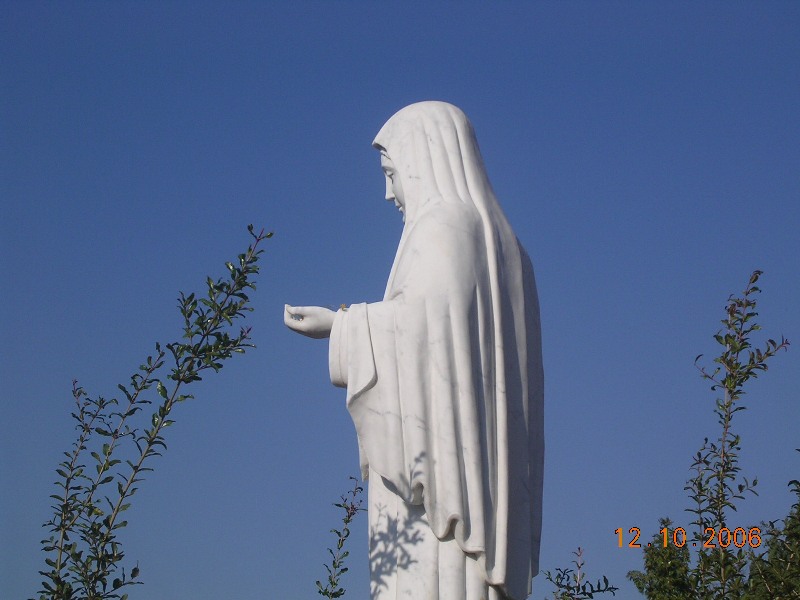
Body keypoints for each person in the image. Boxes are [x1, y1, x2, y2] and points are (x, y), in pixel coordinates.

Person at [285, 101, 543, 600]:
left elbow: (418, 334)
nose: (388, 193)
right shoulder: (510, 249)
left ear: (421, 161)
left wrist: (339, 326)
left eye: (391, 173)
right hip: (488, 502)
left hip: (439, 505)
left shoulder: (444, 228)